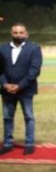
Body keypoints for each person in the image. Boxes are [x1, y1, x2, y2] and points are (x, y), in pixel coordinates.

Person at [0, 23, 42, 155]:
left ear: (26, 34)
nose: (18, 35)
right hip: (7, 90)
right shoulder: (2, 49)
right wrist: (5, 84)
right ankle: (7, 143)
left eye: (21, 32)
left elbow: (34, 70)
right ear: (11, 34)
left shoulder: (34, 48)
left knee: (29, 117)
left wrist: (20, 86)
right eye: (15, 32)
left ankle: (29, 144)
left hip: (26, 90)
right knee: (7, 117)